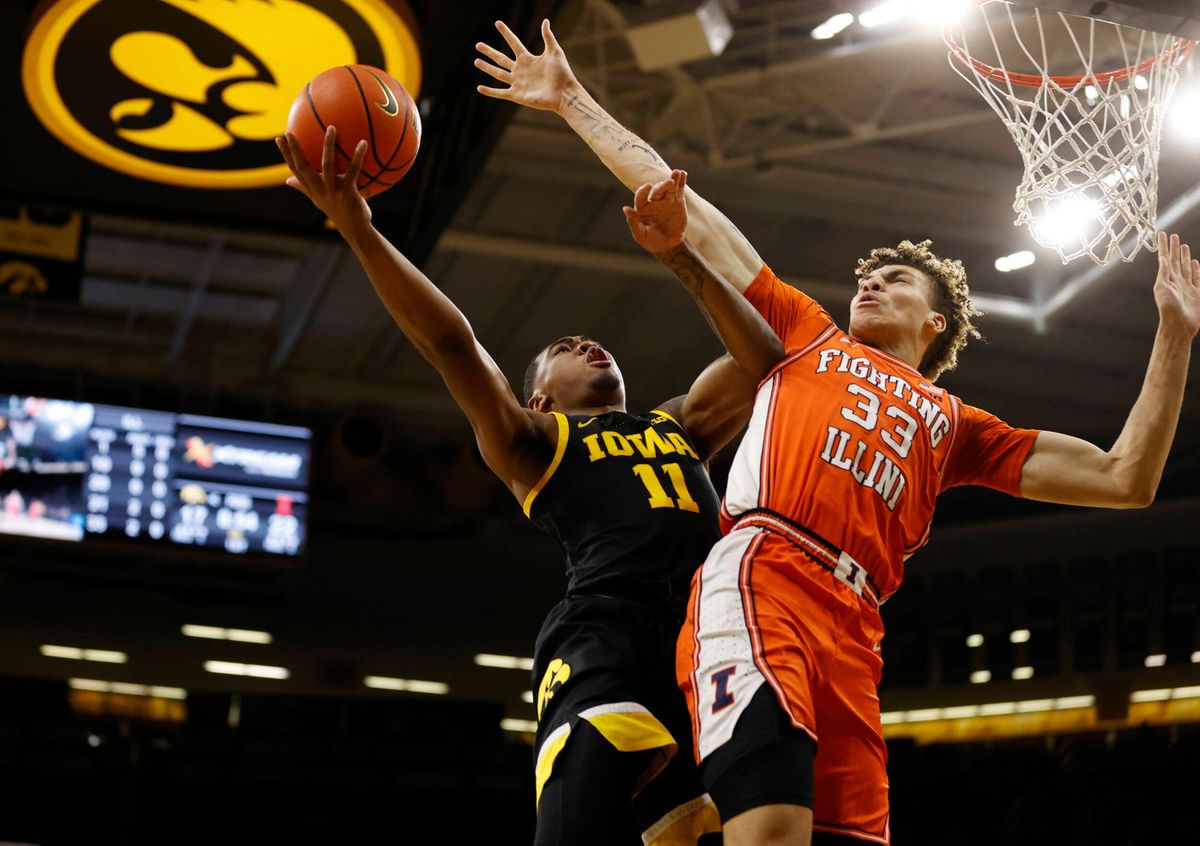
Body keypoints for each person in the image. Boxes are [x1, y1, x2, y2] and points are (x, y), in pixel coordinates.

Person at [476, 19, 1200, 846]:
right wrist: (573, 101)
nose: (870, 281)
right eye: (867, 274)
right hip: (764, 575)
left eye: (892, 279)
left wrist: (1173, 336)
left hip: (855, 624)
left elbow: (1124, 478)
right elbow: (693, 212)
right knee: (774, 828)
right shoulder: (809, 336)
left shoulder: (957, 425)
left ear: (935, 321)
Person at [275, 128, 783, 843]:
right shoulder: (534, 440)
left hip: (699, 650)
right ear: (540, 399)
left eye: (587, 343)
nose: (585, 344)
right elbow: (451, 343)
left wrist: (680, 255)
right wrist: (359, 230)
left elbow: (765, 355)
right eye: (563, 352)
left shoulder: (679, 424)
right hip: (604, 639)